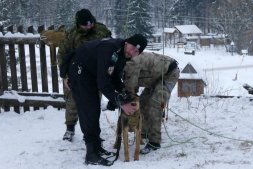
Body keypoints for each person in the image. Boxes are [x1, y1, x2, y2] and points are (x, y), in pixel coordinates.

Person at [59, 34, 147, 166]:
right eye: (132, 48)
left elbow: (114, 77)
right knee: (89, 111)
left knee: (94, 111)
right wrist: (121, 103)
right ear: (127, 42)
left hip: (90, 74)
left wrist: (125, 94)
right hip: (79, 73)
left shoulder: (122, 55)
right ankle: (90, 154)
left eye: (137, 52)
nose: (132, 52)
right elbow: (104, 83)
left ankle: (97, 147)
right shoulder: (110, 49)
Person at [57, 9, 111, 142]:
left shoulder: (101, 30)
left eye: (91, 23)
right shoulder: (71, 34)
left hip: (95, 72)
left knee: (94, 103)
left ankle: (93, 132)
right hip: (76, 72)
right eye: (85, 24)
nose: (89, 26)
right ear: (78, 24)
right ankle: (70, 129)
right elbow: (62, 55)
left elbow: (110, 47)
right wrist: (64, 75)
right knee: (72, 101)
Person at [123, 52, 180, 154]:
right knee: (143, 102)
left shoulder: (131, 64)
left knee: (155, 105)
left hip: (168, 74)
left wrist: (127, 101)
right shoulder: (125, 66)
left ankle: (154, 142)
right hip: (155, 77)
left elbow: (130, 86)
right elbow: (132, 86)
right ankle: (145, 133)